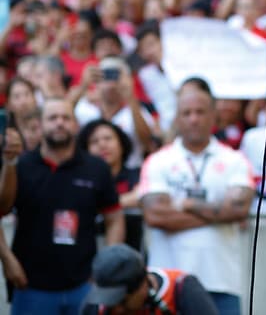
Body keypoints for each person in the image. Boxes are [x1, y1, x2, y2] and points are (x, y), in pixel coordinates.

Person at [138, 77, 255, 315]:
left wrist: (185, 204)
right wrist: (218, 213)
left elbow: (238, 210)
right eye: (187, 113)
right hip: (169, 283)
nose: (194, 119)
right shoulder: (158, 161)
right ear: (177, 118)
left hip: (221, 281)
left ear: (214, 116)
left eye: (200, 112)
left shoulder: (234, 160)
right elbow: (156, 216)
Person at [0, 97, 124, 315]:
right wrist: (7, 260)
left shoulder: (96, 168)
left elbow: (114, 218)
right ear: (41, 125)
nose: (59, 123)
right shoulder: (21, 166)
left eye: (66, 118)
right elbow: (1, 210)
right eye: (53, 118)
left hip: (84, 285)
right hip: (30, 285)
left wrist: (106, 267)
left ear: (76, 124)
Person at [81, 244, 218, 315]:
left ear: (143, 286)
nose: (116, 310)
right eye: (108, 301)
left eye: (122, 300)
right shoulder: (95, 305)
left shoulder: (182, 288)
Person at [77, 119, 144, 251]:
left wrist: (101, 205)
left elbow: (143, 197)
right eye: (94, 142)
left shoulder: (138, 174)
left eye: (108, 138)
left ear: (121, 144)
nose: (102, 145)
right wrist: (123, 201)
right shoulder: (81, 180)